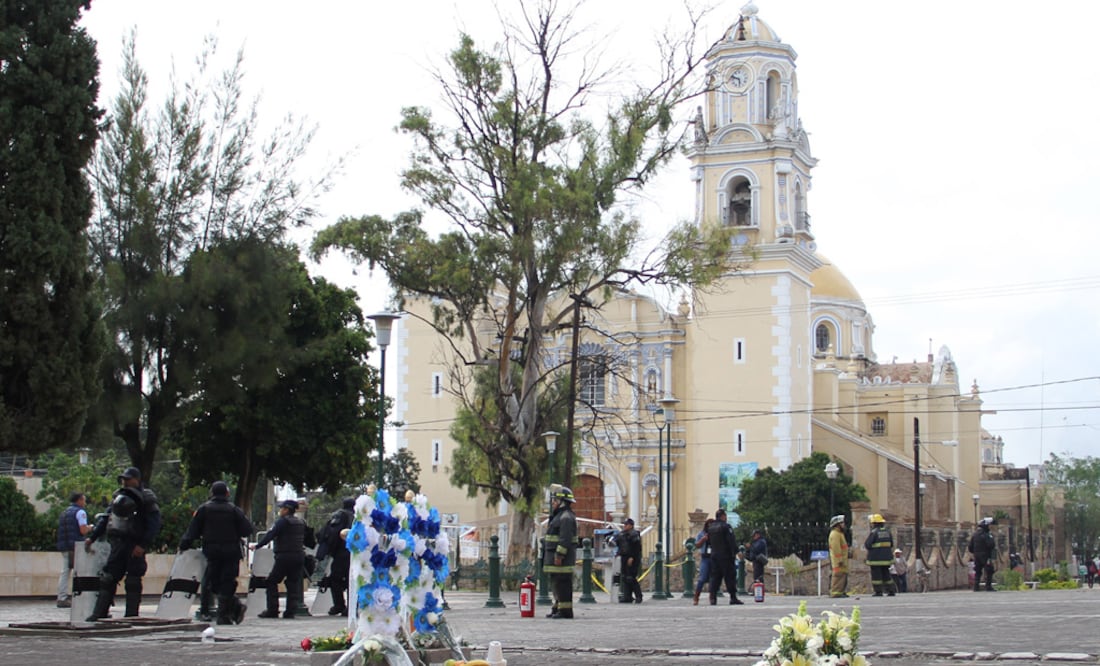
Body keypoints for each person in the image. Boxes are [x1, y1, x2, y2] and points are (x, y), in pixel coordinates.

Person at [85, 467, 161, 621]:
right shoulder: (118, 496)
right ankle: (99, 613)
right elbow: (106, 518)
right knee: (108, 578)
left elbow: (154, 524)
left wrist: (142, 544)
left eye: (128, 479)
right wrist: (92, 538)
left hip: (134, 544)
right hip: (118, 543)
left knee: (133, 580)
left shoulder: (146, 497)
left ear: (136, 479)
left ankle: (131, 615)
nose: (125, 482)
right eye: (123, 479)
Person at [179, 481, 253, 624]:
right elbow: (247, 530)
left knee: (213, 582)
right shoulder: (234, 510)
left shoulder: (204, 509)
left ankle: (230, 609)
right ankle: (227, 613)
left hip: (212, 551)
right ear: (227, 494)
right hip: (231, 551)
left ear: (212, 493)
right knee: (228, 581)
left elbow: (192, 531)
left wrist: (184, 545)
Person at [252, 499, 307, 618]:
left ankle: (272, 609)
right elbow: (309, 539)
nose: (280, 510)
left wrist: (257, 546)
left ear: (286, 510)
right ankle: (290, 611)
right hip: (298, 555)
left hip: (284, 556)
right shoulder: (300, 522)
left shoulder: (282, 522)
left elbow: (271, 535)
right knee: (293, 583)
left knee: (272, 581)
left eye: (282, 508)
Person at [316, 497, 355, 616]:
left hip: (341, 553)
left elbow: (332, 533)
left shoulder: (340, 515)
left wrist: (326, 550)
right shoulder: (358, 517)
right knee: (351, 581)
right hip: (354, 553)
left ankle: (339, 605)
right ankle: (351, 607)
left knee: (335, 579)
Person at [543, 485, 578, 619]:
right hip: (554, 559)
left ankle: (565, 611)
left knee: (563, 584)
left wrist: (559, 555)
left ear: (562, 502)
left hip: (561, 560)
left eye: (555, 500)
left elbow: (565, 539)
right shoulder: (559, 516)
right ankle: (557, 608)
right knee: (557, 584)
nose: (553, 503)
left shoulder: (566, 517)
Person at [56, 492, 92, 608]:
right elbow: (83, 530)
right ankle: (69, 597)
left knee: (65, 571)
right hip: (76, 546)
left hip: (64, 545)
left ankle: (62, 596)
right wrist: (91, 528)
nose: (85, 503)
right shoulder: (80, 512)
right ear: (80, 500)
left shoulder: (64, 512)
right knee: (78, 571)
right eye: (84, 500)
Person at [706, 509, 743, 605]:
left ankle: (713, 598)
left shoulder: (711, 528)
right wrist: (736, 551)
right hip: (726, 556)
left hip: (714, 556)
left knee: (715, 577)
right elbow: (731, 541)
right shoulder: (726, 527)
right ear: (723, 516)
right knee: (730, 577)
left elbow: (709, 542)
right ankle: (733, 597)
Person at [864, 514, 896, 597]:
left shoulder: (874, 532)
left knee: (876, 577)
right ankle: (891, 590)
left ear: (875, 523)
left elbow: (868, 544)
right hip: (886, 558)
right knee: (886, 575)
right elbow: (891, 544)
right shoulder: (888, 532)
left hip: (876, 559)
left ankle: (878, 591)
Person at [612, 518, 643, 604]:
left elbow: (636, 548)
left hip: (632, 558)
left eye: (626, 524)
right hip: (624, 557)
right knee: (625, 577)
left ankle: (639, 596)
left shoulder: (634, 534)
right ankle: (627, 596)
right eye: (624, 524)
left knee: (631, 577)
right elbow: (618, 543)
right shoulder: (622, 534)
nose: (624, 526)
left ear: (631, 525)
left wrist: (632, 557)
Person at [968, 517, 996, 592]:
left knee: (978, 571)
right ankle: (988, 586)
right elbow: (991, 545)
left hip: (977, 556)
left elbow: (970, 547)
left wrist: (975, 552)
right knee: (989, 570)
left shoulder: (975, 535)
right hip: (986, 555)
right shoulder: (986, 535)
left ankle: (976, 587)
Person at [827, 514, 849, 598]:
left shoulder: (839, 533)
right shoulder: (835, 534)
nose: (843, 524)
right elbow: (836, 548)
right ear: (837, 524)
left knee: (843, 576)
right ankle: (836, 593)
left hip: (842, 560)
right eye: (842, 523)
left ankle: (841, 592)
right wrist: (839, 559)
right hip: (838, 560)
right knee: (838, 577)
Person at [692, 518, 713, 605]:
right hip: (705, 557)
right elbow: (696, 545)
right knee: (702, 578)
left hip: (714, 557)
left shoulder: (716, 534)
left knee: (713, 579)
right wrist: (703, 539)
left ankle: (712, 597)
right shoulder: (702, 534)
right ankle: (696, 596)